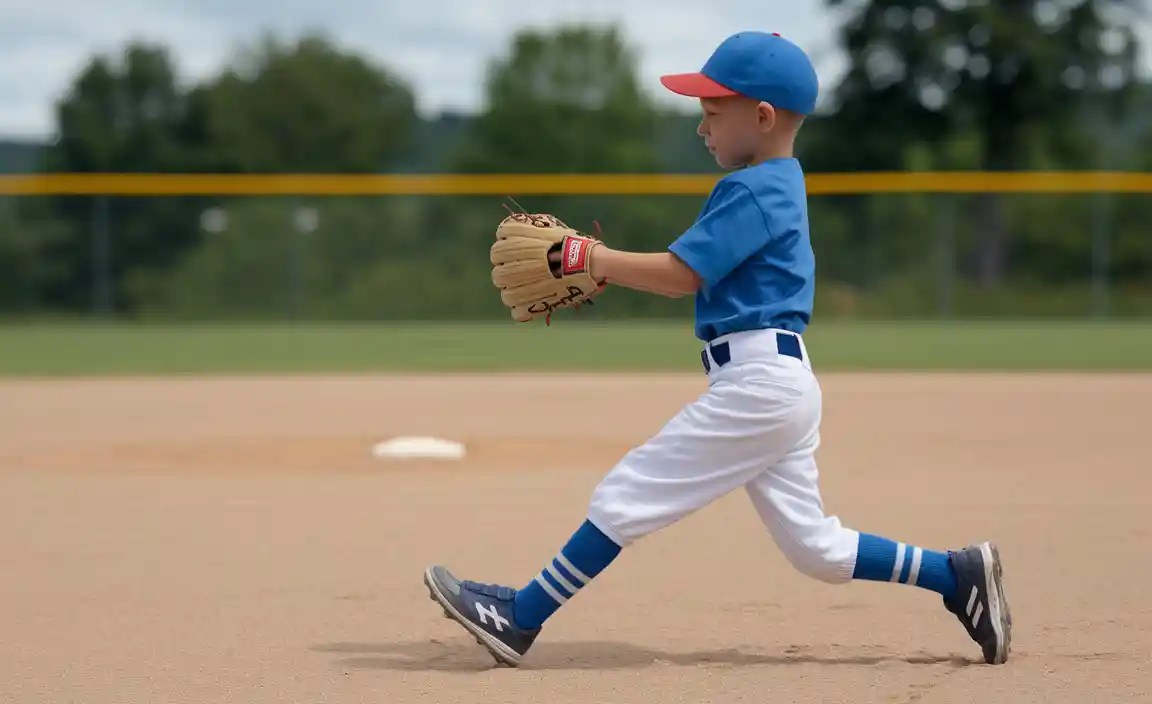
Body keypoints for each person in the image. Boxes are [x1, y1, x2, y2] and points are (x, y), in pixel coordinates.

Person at [422, 30, 1012, 667]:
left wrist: (591, 258)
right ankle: (955, 575)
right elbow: (694, 274)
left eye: (712, 112)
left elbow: (682, 275)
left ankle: (520, 616)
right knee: (815, 548)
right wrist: (601, 263)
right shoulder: (780, 183)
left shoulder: (753, 189)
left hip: (758, 383)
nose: (702, 128)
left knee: (628, 492)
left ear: (762, 117)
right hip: (779, 381)